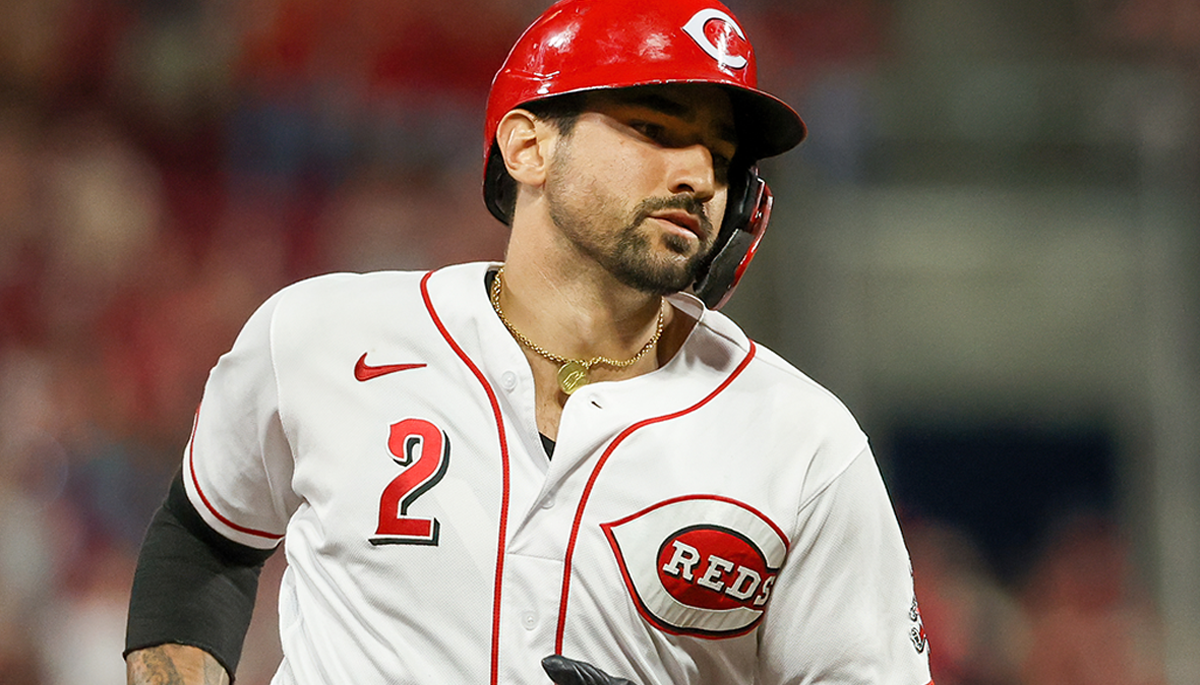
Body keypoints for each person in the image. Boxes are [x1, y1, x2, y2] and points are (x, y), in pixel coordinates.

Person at [124, 1, 935, 684]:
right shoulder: (323, 334)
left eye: (720, 157)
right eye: (655, 128)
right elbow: (205, 535)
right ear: (528, 146)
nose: (697, 174)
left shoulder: (805, 447)